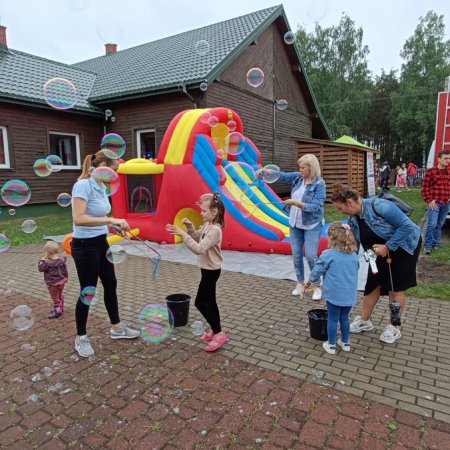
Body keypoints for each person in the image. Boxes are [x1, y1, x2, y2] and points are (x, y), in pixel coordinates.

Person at [331, 184, 421, 344]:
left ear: (350, 202)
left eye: (340, 208)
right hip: (378, 252)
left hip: (404, 247)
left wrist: (388, 246)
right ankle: (365, 321)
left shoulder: (380, 206)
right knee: (372, 284)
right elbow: (357, 244)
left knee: (395, 288)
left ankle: (394, 327)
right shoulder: (353, 219)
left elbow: (407, 226)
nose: (340, 212)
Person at [71, 150, 139, 358]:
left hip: (101, 243)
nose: (115, 176)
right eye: (113, 170)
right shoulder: (83, 185)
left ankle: (117, 328)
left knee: (111, 284)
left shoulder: (101, 185)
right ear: (101, 166)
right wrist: (111, 221)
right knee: (88, 290)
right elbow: (79, 218)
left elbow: (98, 215)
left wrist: (113, 227)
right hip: (84, 246)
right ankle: (81, 337)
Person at [256, 154, 326, 300]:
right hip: (295, 223)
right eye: (299, 167)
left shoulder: (319, 184)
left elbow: (315, 207)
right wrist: (265, 171)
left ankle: (317, 286)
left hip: (312, 224)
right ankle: (300, 283)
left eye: (303, 167)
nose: (300, 170)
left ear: (311, 168)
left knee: (311, 256)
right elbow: (281, 176)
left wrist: (295, 203)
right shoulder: (298, 178)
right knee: (297, 255)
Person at [166, 192, 228, 352]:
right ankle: (216, 330)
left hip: (211, 271)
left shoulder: (215, 230)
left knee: (200, 303)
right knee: (211, 301)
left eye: (203, 211)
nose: (201, 213)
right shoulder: (207, 225)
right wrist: (190, 228)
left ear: (214, 212)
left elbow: (199, 249)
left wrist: (183, 234)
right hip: (207, 270)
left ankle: (219, 333)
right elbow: (198, 239)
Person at [305, 222, 359, 355]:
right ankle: (345, 343)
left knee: (333, 319)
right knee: (345, 318)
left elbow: (317, 270)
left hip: (334, 294)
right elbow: (356, 270)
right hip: (349, 294)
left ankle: (331, 344)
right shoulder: (354, 255)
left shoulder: (328, 254)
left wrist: (310, 281)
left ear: (334, 239)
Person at [421, 150, 450, 254]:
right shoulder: (430, 172)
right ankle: (427, 246)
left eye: (449, 158)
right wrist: (429, 200)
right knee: (432, 224)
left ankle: (436, 244)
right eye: (445, 158)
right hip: (435, 203)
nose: (448, 160)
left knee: (439, 224)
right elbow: (424, 188)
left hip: (446, 203)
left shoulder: (449, 171)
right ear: (438, 159)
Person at [38, 240, 68, 319]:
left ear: (47, 253)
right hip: (62, 282)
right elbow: (65, 270)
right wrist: (66, 277)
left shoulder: (47, 263)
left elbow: (40, 269)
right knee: (60, 295)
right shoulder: (62, 260)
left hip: (53, 284)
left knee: (55, 299)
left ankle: (57, 312)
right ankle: (61, 309)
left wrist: (42, 260)